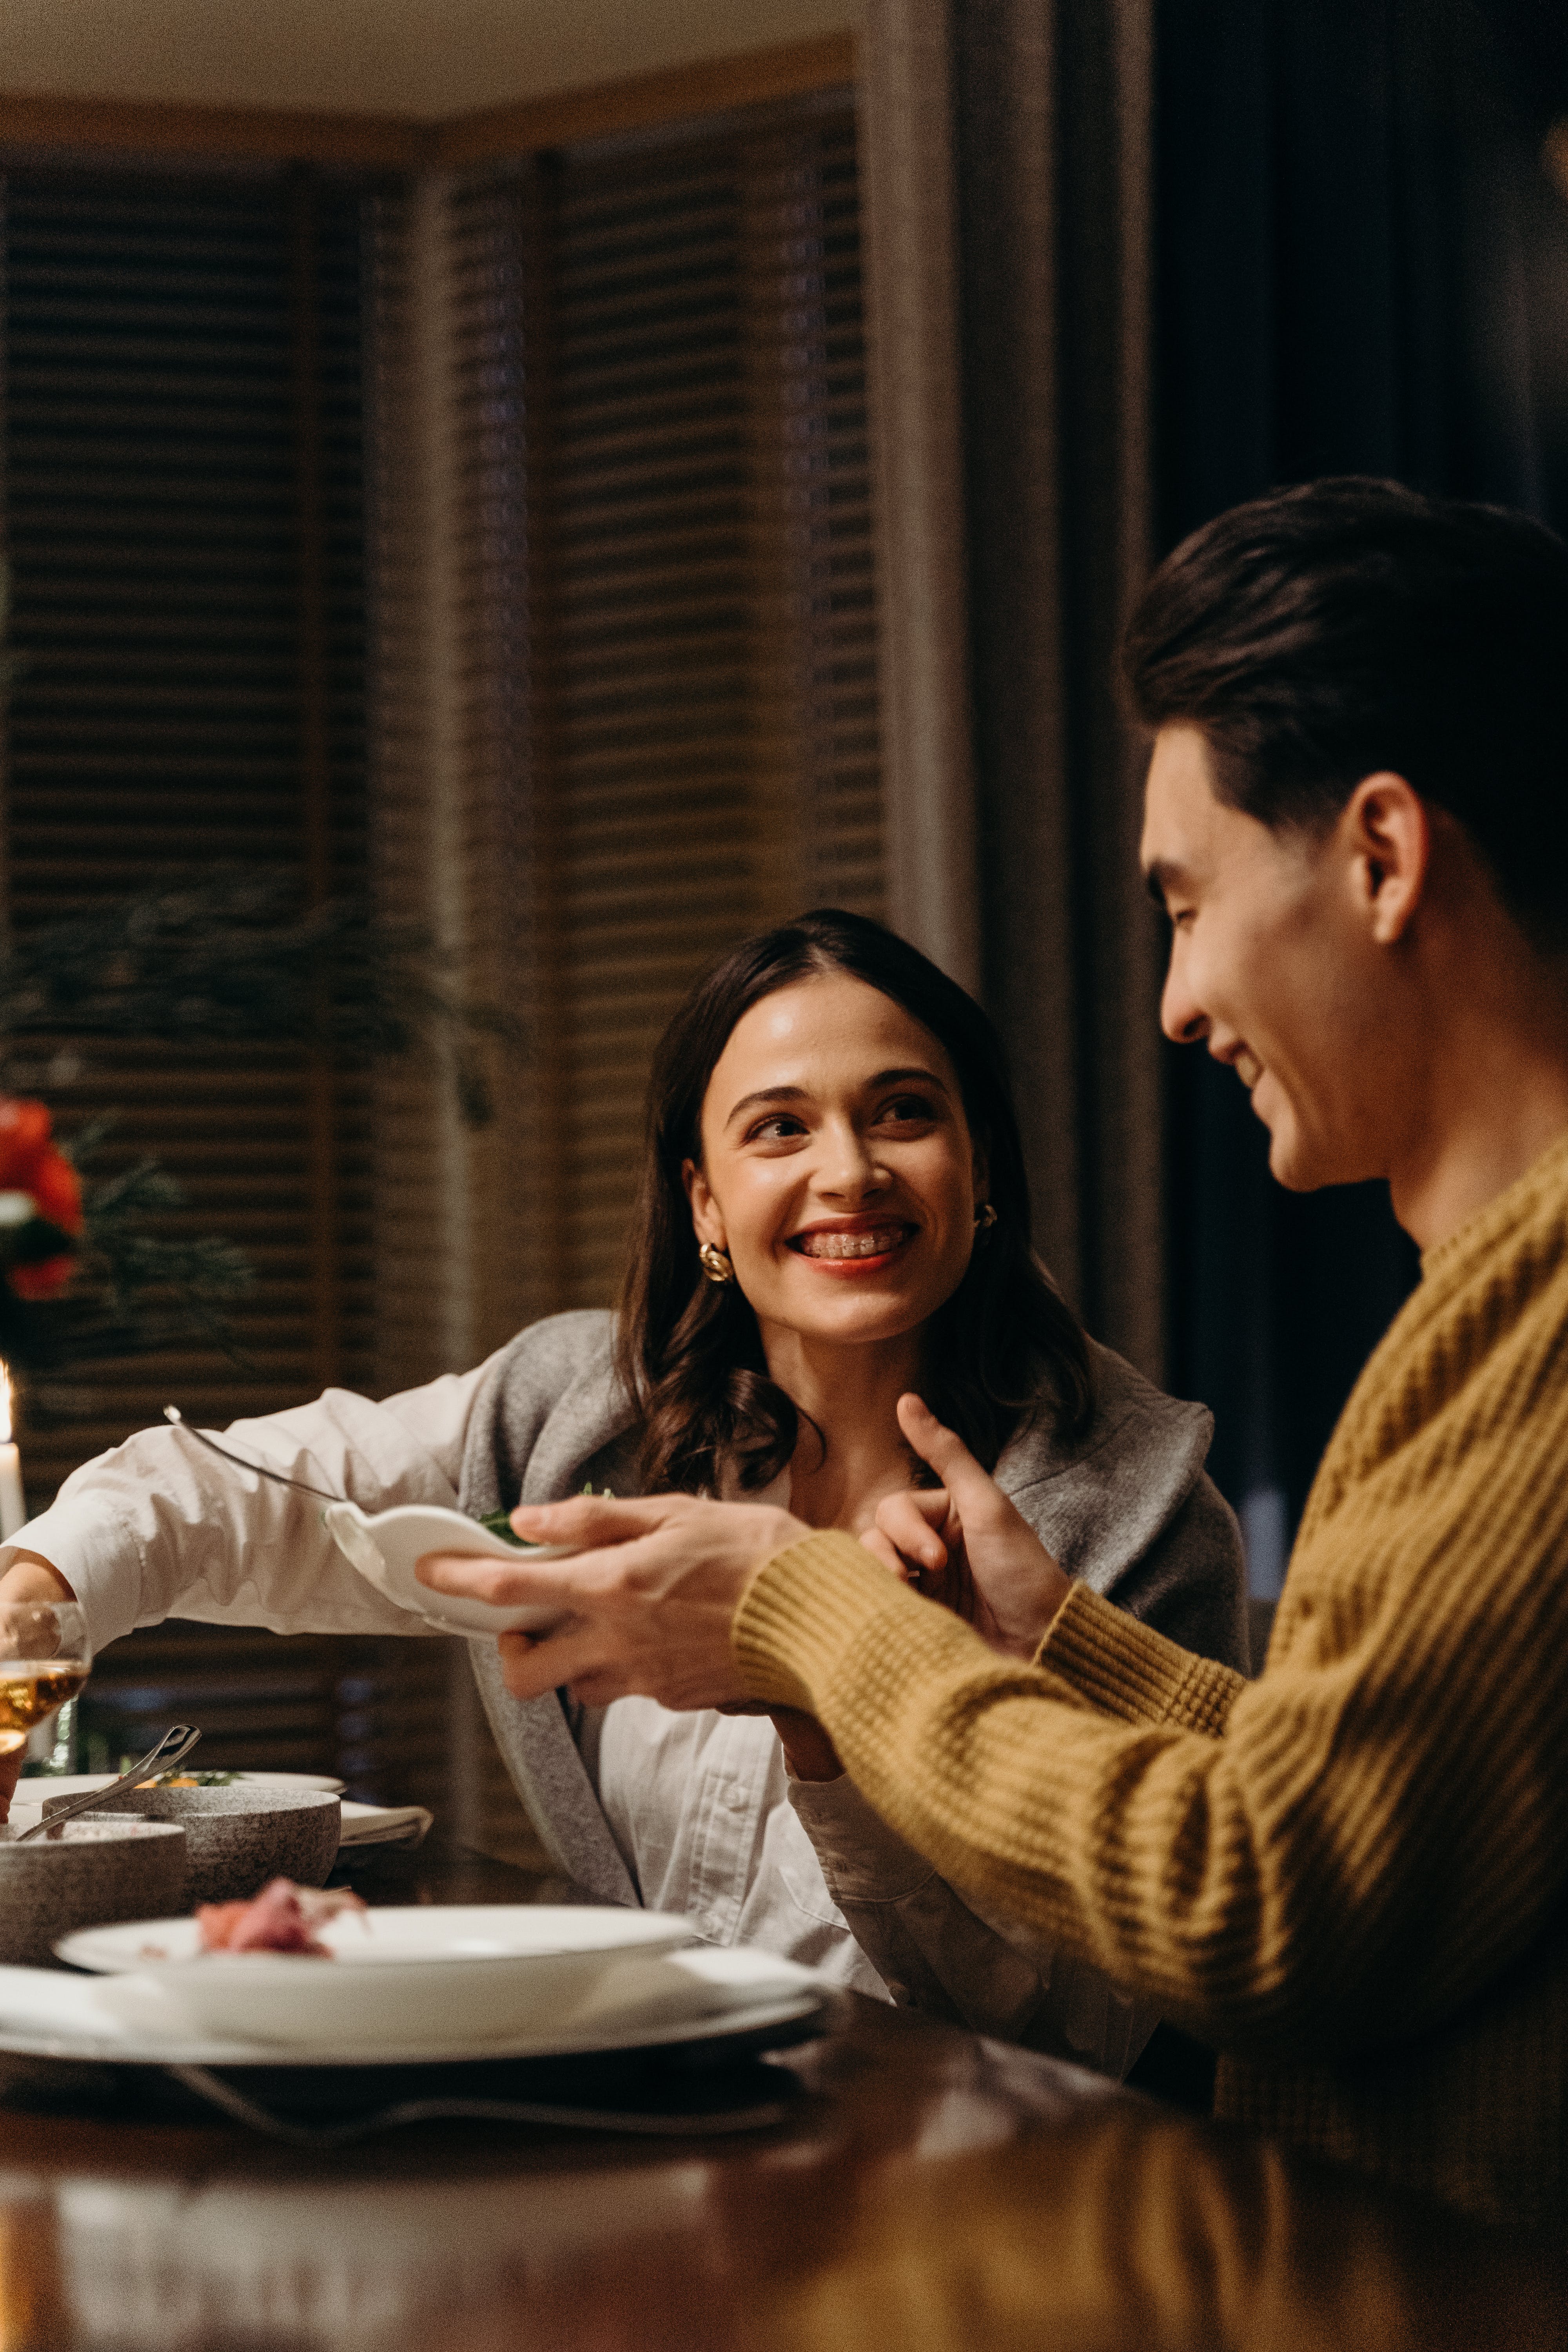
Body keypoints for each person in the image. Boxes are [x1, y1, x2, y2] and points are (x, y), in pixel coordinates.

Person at [409, 480, 1568, 2231]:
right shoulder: (1487, 1308)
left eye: (1186, 902)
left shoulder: (1525, 1327)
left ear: (1383, 858)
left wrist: (809, 1615)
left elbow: (1263, 1919)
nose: (1176, 1003)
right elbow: (1365, 1828)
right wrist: (1066, 1647)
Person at [0, 911, 1244, 2075]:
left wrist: (825, 1717)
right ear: (705, 1200)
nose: (850, 1171)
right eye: (778, 1128)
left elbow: (1071, 2037)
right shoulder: (587, 1425)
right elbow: (262, 1493)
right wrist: (36, 1599)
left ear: (981, 1167)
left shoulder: (1130, 1521)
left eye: (904, 1112)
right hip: (651, 2132)